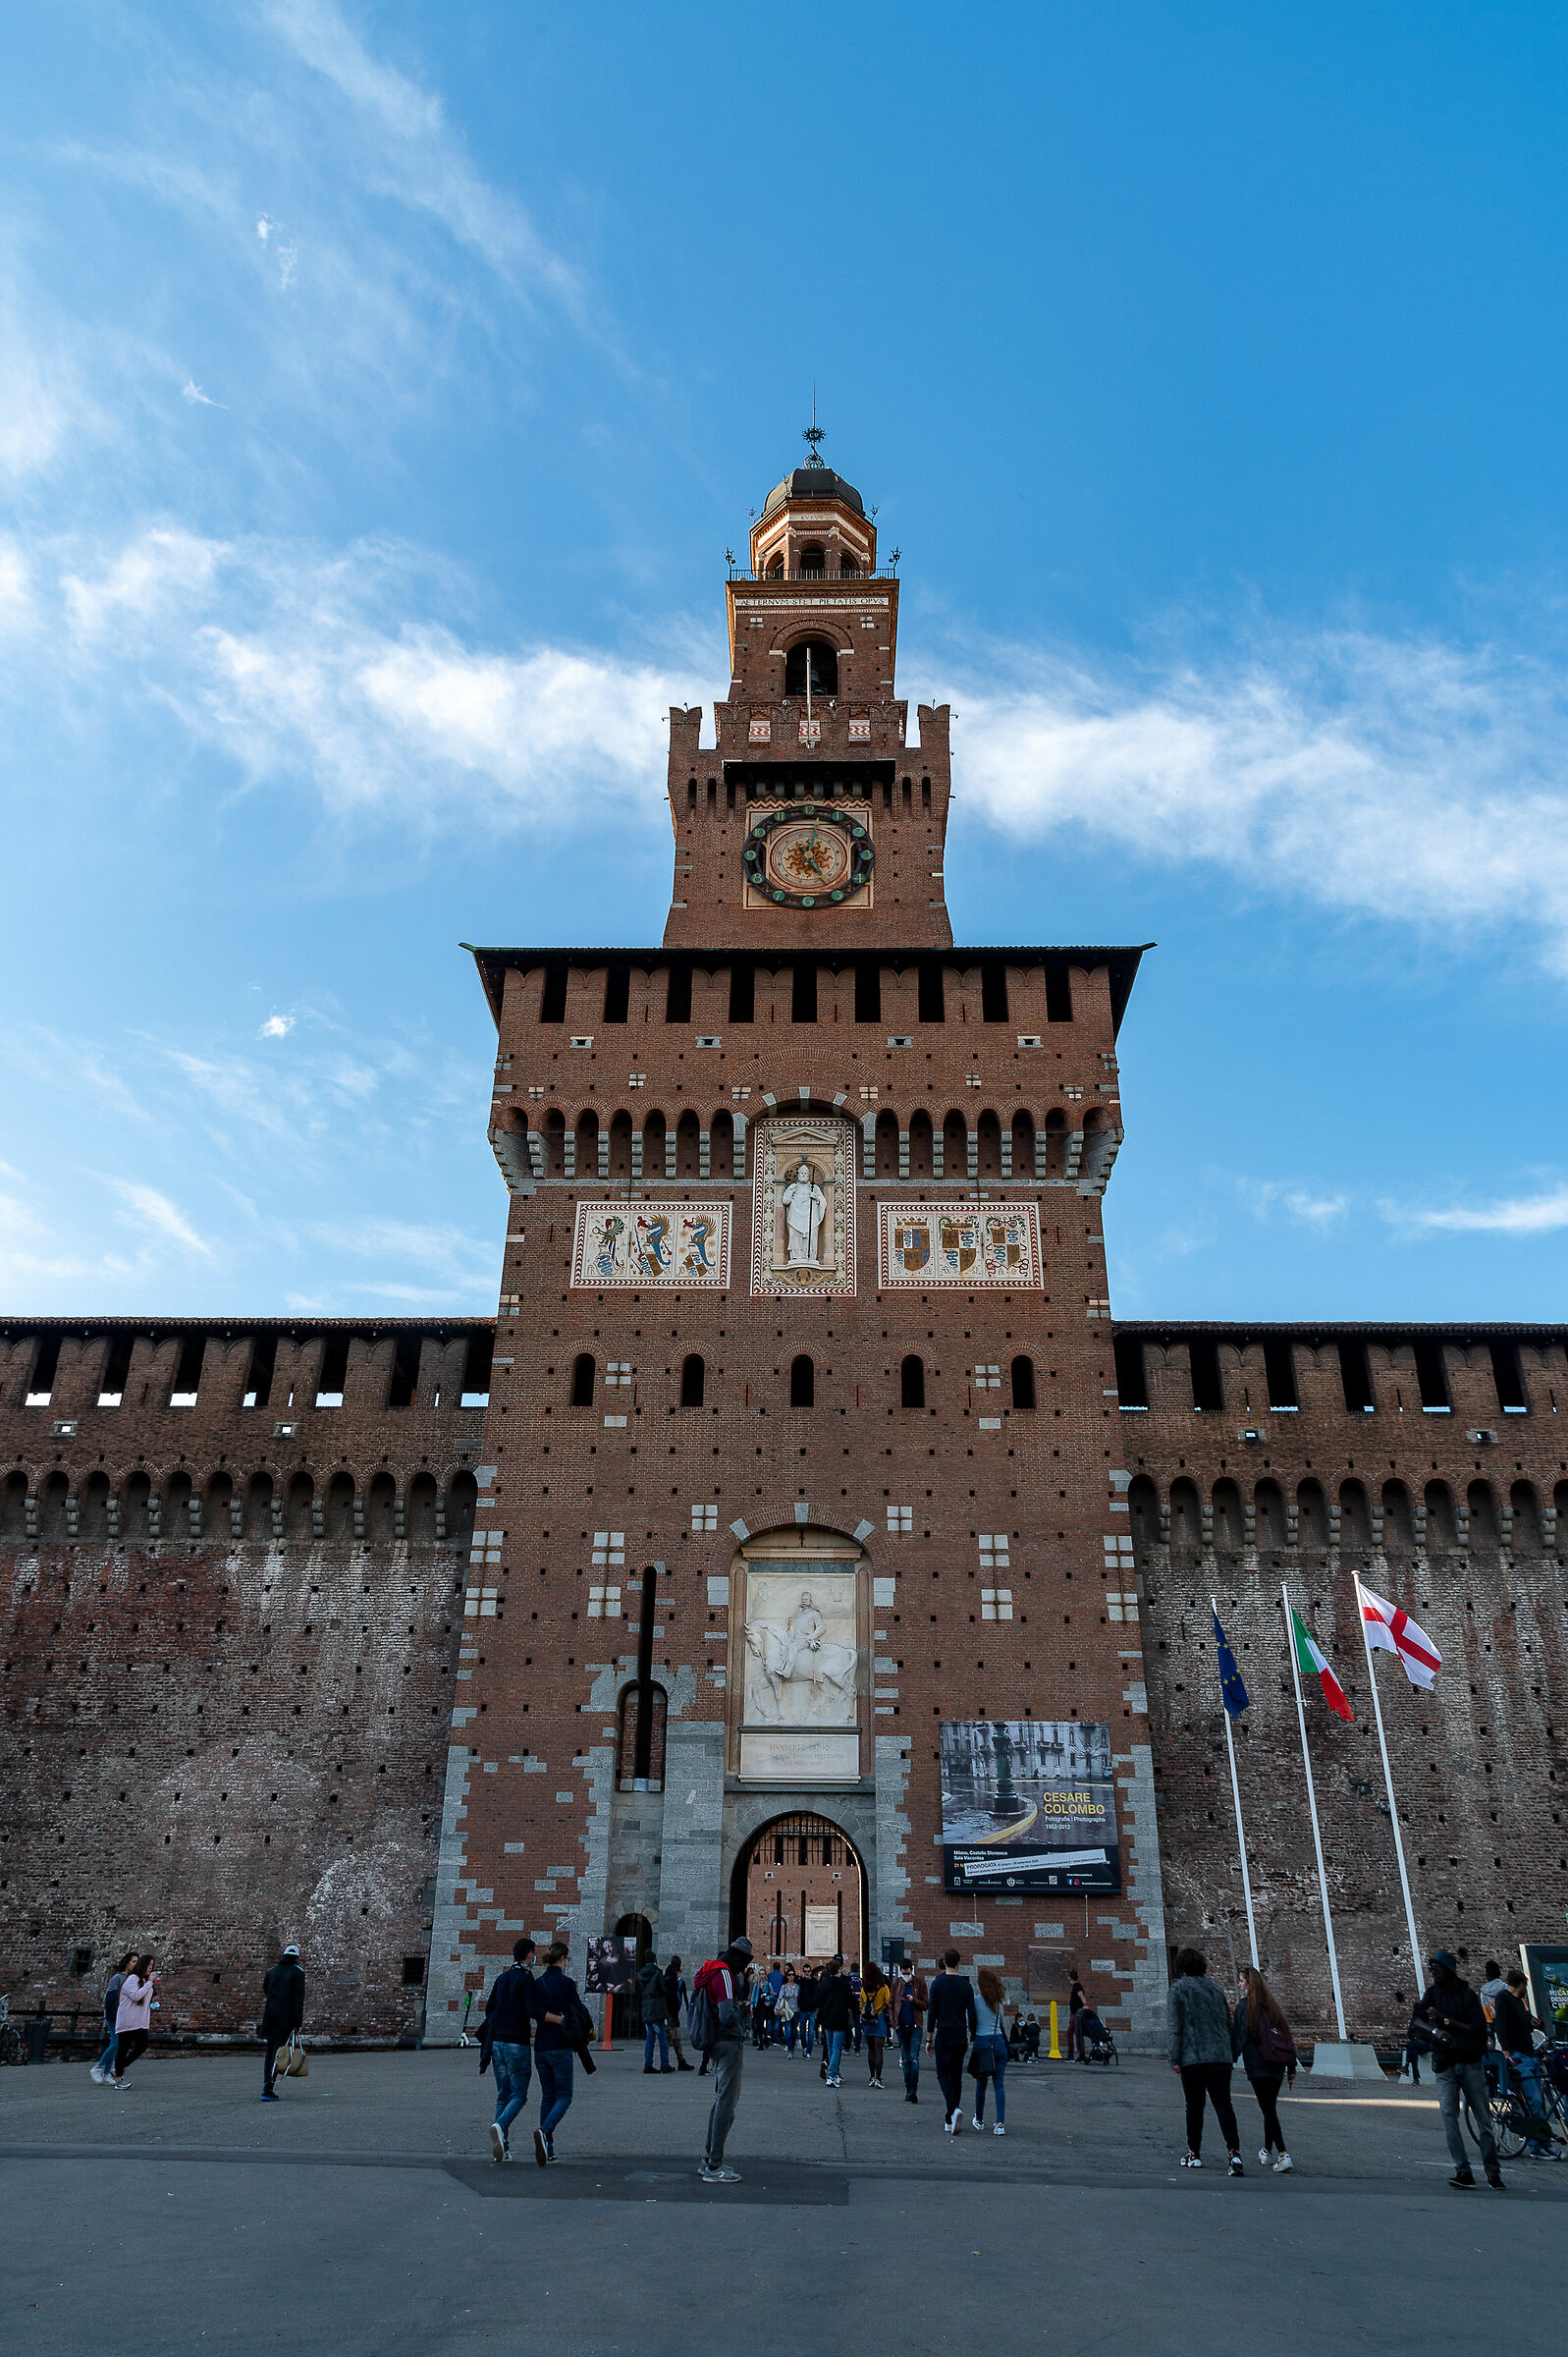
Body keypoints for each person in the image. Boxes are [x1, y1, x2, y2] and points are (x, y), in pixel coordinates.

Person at [1411, 1949, 1504, 2190]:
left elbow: (1477, 2028)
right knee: (1449, 2117)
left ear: (1448, 1970)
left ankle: (1493, 2171)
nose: (1433, 1973)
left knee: (1483, 2119)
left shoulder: (1467, 1995)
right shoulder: (1432, 1994)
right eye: (1431, 1969)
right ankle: (1462, 2170)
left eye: (1436, 1969)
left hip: (1469, 2062)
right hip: (1445, 2064)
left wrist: (1446, 2022)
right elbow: (1416, 2022)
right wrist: (1435, 2031)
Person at [1167, 1946, 1243, 2174]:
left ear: (1181, 1968)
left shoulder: (1178, 1989)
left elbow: (1175, 2027)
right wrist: (1231, 2053)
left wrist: (1174, 2056)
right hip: (1220, 2056)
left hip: (1193, 2057)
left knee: (1194, 2105)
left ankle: (1194, 2153)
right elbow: (1228, 2025)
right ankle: (1234, 2153)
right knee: (1223, 2104)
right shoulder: (1216, 1990)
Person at [695, 1933, 753, 2184]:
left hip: (714, 2041)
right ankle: (714, 2165)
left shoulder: (710, 1971)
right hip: (728, 2041)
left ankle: (709, 2159)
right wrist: (741, 2012)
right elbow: (726, 2013)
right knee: (727, 2104)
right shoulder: (726, 1975)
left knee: (720, 2102)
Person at [1230, 1964, 1296, 2172]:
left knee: (1267, 2109)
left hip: (1257, 2064)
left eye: (1241, 1981)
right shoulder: (1272, 2006)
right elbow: (1287, 2035)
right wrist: (1292, 2066)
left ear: (1248, 1984)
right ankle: (1267, 2151)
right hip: (1277, 2064)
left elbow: (1238, 2037)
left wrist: (1229, 2059)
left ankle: (1283, 2154)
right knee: (1269, 2107)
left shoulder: (1244, 2007)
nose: (1239, 1984)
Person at [482, 1938, 536, 2161]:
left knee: (502, 2095)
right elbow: (532, 2009)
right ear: (528, 1955)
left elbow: (489, 2009)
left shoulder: (502, 1978)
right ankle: (500, 2125)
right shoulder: (525, 1978)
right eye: (533, 1954)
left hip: (497, 2043)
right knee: (520, 2095)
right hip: (517, 2042)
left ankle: (502, 2148)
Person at [530, 1942, 580, 2165]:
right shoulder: (567, 1983)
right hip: (560, 2045)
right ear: (562, 1959)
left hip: (541, 2046)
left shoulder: (538, 1984)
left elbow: (534, 2011)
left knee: (548, 2095)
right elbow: (578, 2010)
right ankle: (545, 2131)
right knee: (564, 2096)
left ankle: (549, 2149)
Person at [1493, 1969, 1551, 2161]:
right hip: (1519, 2056)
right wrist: (1506, 2052)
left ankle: (1544, 2143)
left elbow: (1524, 2024)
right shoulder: (1503, 1998)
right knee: (1534, 2100)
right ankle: (1537, 2146)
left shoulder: (1520, 2002)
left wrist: (1533, 2023)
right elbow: (1499, 2024)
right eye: (1525, 1984)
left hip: (1529, 2054)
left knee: (1538, 2101)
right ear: (1521, 1985)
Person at [927, 1948, 978, 2134]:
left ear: (944, 1963)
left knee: (942, 2075)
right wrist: (972, 2030)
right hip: (959, 2033)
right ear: (958, 1964)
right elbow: (971, 2012)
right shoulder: (966, 1985)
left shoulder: (937, 1984)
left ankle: (953, 2110)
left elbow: (932, 2013)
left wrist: (929, 2038)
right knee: (956, 2076)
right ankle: (950, 2117)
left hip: (944, 2033)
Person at [258, 1943, 304, 2102]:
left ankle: (267, 2083)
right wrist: (297, 2023)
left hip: (270, 2017)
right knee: (278, 2054)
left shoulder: (271, 1972)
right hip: (285, 2020)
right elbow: (298, 1999)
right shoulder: (298, 1972)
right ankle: (268, 2088)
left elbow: (267, 1990)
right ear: (296, 1957)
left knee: (270, 2052)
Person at [970, 1966, 1009, 2135]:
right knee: (999, 2084)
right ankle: (1000, 2123)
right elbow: (1001, 2022)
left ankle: (979, 2119)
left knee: (981, 2084)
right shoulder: (998, 2001)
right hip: (999, 2043)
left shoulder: (975, 2000)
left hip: (982, 2044)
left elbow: (971, 2021)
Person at [111, 1954, 160, 2086]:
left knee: (142, 2046)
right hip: (128, 2020)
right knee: (123, 2048)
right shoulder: (132, 1979)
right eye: (149, 1966)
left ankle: (120, 2067)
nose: (151, 1969)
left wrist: (152, 1999)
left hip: (140, 2021)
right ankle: (119, 2079)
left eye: (152, 1966)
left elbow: (143, 1998)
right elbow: (135, 1996)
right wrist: (150, 1983)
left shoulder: (144, 1981)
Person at [90, 1951, 135, 2085]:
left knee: (116, 2044)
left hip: (124, 2015)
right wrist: (111, 2013)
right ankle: (98, 2067)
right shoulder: (117, 1978)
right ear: (127, 1962)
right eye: (133, 1961)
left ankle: (106, 2073)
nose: (136, 1964)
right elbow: (110, 1998)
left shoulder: (132, 1978)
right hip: (114, 2015)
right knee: (116, 2043)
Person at [892, 1959, 928, 2102]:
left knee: (913, 2059)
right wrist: (894, 2023)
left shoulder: (920, 1983)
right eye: (903, 1972)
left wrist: (914, 2000)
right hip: (901, 2026)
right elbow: (891, 2003)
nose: (905, 1974)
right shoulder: (896, 1983)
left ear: (911, 1970)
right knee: (906, 2059)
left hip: (915, 2026)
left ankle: (913, 2090)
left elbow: (925, 2004)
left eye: (907, 1972)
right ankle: (908, 2088)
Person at [817, 1954, 853, 2087]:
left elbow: (818, 2000)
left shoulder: (823, 1982)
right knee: (837, 2048)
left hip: (827, 2018)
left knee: (831, 2046)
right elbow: (850, 2000)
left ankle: (834, 2073)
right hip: (839, 2018)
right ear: (839, 1969)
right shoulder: (844, 1983)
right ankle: (832, 2075)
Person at [638, 1950, 674, 2074]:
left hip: (646, 2007)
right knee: (662, 2036)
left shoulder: (641, 1973)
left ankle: (648, 2064)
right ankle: (665, 2064)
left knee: (650, 2037)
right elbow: (663, 1989)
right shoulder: (657, 1972)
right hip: (657, 2007)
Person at [862, 1961, 891, 2087]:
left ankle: (871, 2076)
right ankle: (878, 2077)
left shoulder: (864, 1989)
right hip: (879, 2019)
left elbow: (860, 2005)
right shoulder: (883, 1988)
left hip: (867, 2020)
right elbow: (888, 2002)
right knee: (879, 2050)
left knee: (871, 2050)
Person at [663, 1956, 693, 2070]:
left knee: (676, 2038)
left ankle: (681, 2060)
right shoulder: (672, 1978)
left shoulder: (668, 1976)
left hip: (670, 2012)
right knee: (670, 2038)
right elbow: (671, 1999)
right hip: (671, 2013)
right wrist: (675, 2015)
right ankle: (665, 2062)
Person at [778, 1964, 800, 2054]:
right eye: (789, 1975)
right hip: (787, 2011)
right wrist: (777, 2008)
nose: (791, 1976)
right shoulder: (784, 1987)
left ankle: (792, 2045)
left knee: (794, 2031)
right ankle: (790, 2050)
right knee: (788, 2031)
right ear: (787, 1976)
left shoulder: (798, 1987)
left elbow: (800, 1998)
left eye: (793, 1975)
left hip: (795, 2011)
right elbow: (780, 1998)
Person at [797, 1967, 819, 2059]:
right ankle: (804, 2046)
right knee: (802, 2032)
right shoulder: (801, 1982)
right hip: (803, 2010)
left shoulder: (815, 1982)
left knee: (811, 2032)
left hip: (812, 2010)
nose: (807, 1973)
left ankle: (809, 2051)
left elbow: (818, 1994)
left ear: (811, 1972)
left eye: (808, 1971)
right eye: (805, 1971)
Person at [1066, 1972, 1087, 2062]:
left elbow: (1081, 1994)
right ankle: (1081, 2055)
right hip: (1076, 2013)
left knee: (1069, 2033)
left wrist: (1085, 2004)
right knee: (1078, 2034)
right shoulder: (1077, 1986)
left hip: (1075, 2014)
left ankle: (1071, 2055)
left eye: (1069, 1978)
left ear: (1071, 1978)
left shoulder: (1077, 1986)